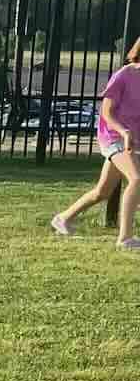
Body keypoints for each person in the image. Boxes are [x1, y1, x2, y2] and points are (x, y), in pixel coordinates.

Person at [52, 39, 140, 249]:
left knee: (103, 192)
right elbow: (106, 113)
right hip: (113, 135)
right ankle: (125, 238)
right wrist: (124, 131)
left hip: (132, 139)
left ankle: (62, 218)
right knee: (136, 179)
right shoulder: (124, 75)